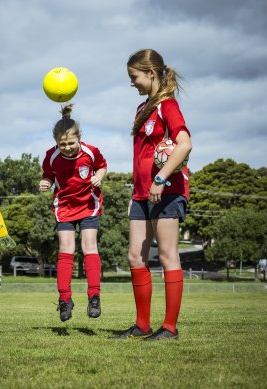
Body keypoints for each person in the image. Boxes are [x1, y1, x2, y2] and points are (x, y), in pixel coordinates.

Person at [110, 49, 192, 341]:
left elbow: (184, 144)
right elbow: (141, 154)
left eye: (134, 77)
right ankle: (141, 325)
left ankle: (169, 328)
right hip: (142, 195)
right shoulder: (142, 109)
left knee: (169, 256)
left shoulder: (167, 106)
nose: (132, 83)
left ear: (151, 74)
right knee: (135, 257)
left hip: (168, 192)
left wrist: (160, 177)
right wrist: (138, 190)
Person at [39, 104, 107, 322]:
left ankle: (94, 296)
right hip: (65, 206)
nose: (67, 147)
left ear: (80, 138)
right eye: (63, 144)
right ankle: (65, 300)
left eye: (71, 143)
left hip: (89, 203)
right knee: (66, 249)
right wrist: (45, 182)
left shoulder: (90, 151)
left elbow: (102, 166)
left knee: (89, 246)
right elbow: (48, 176)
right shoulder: (51, 156)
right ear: (56, 142)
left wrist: (100, 176)